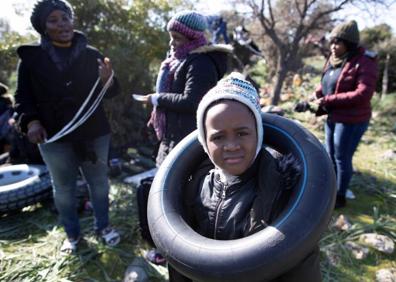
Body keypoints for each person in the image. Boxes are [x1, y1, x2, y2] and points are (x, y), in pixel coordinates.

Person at [168, 73, 322, 281]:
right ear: (204, 141)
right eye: (218, 137)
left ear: (258, 133)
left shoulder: (283, 189)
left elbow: (301, 268)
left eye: (242, 133)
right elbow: (180, 255)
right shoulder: (194, 184)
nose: (231, 145)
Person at [14, 0, 121, 254]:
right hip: (54, 136)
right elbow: (22, 98)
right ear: (43, 27)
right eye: (53, 20)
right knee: (63, 188)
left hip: (93, 133)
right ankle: (73, 236)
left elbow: (110, 92)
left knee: (99, 184)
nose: (62, 24)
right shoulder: (31, 59)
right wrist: (32, 122)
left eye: (65, 17)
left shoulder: (91, 53)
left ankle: (103, 227)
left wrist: (109, 80)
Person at [134, 10, 231, 265]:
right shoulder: (179, 59)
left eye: (177, 37)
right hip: (172, 136)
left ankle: (180, 248)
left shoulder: (199, 63)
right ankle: (172, 245)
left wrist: (157, 99)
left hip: (187, 140)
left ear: (191, 37)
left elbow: (193, 101)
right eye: (171, 36)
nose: (172, 42)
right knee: (165, 190)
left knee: (176, 192)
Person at [311, 20, 378, 208]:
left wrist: (328, 101)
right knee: (329, 154)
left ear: (349, 44)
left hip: (352, 120)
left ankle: (340, 196)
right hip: (333, 116)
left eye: (338, 43)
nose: (333, 46)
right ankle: (330, 189)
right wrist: (317, 94)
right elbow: (328, 81)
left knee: (341, 157)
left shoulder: (365, 62)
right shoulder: (335, 59)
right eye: (332, 42)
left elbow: (363, 93)